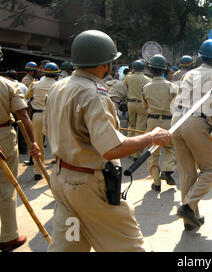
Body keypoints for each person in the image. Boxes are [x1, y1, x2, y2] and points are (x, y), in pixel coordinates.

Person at [43, 30, 171, 252]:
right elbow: (113, 149)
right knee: (128, 245)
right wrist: (152, 137)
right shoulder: (94, 93)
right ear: (106, 64)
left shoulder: (59, 87)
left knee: (70, 243)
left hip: (62, 180)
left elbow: (51, 130)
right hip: (88, 187)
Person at [171, 39, 212, 230]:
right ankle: (187, 206)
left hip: (176, 119)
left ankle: (190, 219)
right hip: (194, 121)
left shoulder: (189, 74)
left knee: (187, 173)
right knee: (211, 168)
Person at [0, 46, 40, 252]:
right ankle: (8, 236)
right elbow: (23, 117)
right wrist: (33, 143)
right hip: (3, 135)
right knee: (6, 188)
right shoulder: (8, 85)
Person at [142, 55, 178, 192]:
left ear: (151, 70)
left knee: (152, 151)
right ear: (164, 70)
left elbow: (145, 105)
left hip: (152, 121)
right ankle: (167, 170)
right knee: (170, 147)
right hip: (169, 121)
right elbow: (177, 105)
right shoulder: (172, 86)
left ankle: (156, 182)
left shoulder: (146, 87)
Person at [25, 62, 60, 179]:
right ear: (56, 75)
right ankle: (60, 170)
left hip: (38, 116)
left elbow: (26, 95)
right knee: (57, 144)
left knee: (38, 144)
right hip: (53, 117)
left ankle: (38, 171)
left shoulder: (35, 84)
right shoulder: (58, 85)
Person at [124, 59, 151, 160]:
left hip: (130, 103)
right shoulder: (147, 79)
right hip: (141, 104)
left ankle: (128, 150)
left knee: (131, 125)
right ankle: (137, 153)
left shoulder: (128, 77)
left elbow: (125, 84)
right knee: (140, 128)